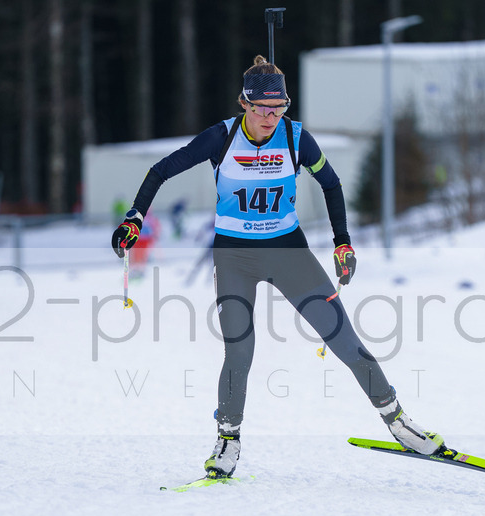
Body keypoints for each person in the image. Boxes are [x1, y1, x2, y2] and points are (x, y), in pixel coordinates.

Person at [112, 55, 449, 478]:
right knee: (240, 351)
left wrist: (342, 243)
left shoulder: (295, 137)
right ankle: (227, 441)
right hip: (234, 255)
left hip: (288, 251)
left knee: (343, 337)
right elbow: (161, 170)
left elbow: (331, 183)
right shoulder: (221, 138)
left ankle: (398, 422)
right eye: (263, 108)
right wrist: (134, 218)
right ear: (245, 105)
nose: (272, 116)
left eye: (280, 107)